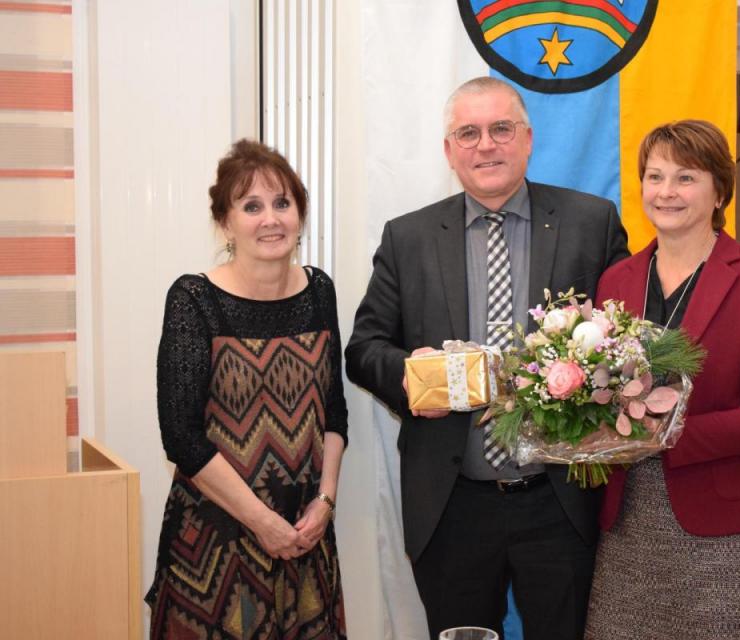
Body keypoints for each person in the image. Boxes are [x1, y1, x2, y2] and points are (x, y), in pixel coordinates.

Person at [345, 76, 629, 640]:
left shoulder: (591, 221)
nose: (486, 145)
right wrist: (414, 378)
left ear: (528, 138)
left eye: (501, 129)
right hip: (453, 505)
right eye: (468, 133)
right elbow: (363, 349)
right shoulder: (408, 237)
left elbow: (625, 339)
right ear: (449, 150)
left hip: (560, 501)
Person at [584, 120, 740, 639]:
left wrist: (663, 433)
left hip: (729, 530)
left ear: (719, 191)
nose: (666, 192)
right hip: (630, 522)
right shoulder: (616, 279)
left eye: (686, 178)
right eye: (655, 176)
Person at [146, 139, 348, 639]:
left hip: (305, 538)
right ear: (225, 222)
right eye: (251, 206)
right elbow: (181, 438)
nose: (270, 219)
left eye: (282, 203)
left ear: (300, 214)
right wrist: (263, 522)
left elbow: (334, 412)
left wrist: (324, 503)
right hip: (217, 543)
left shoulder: (319, 291)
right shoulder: (194, 299)